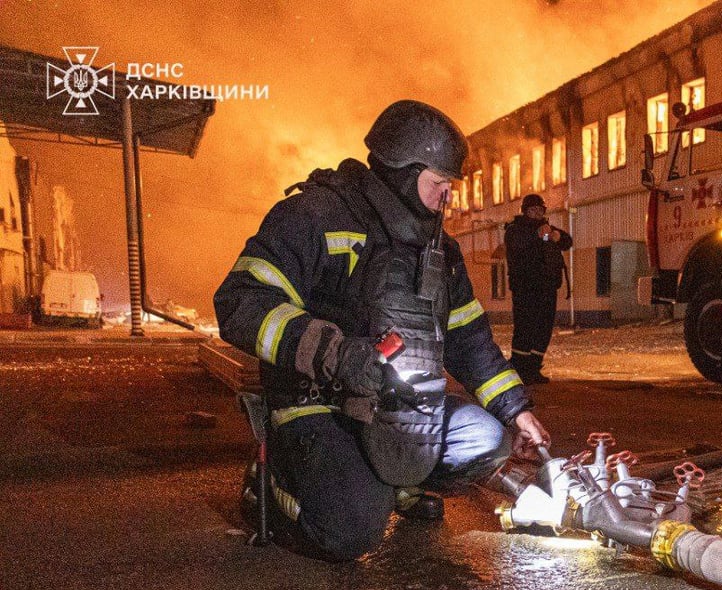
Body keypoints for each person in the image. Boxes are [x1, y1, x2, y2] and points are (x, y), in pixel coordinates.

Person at [214, 100, 550, 562]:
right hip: (319, 405)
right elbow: (241, 302)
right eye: (438, 184)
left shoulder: (439, 250)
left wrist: (517, 410)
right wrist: (335, 353)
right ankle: (270, 484)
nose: (446, 197)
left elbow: (468, 339)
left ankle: (399, 479)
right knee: (351, 531)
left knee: (488, 438)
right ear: (402, 173)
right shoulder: (317, 216)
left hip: (400, 407)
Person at [504, 193, 571, 384]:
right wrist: (538, 235)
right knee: (525, 327)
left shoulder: (548, 228)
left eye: (540, 210)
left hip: (547, 287)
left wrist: (557, 235)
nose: (536, 213)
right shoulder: (515, 230)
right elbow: (520, 244)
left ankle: (534, 367)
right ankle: (519, 368)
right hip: (525, 288)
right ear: (525, 211)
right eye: (532, 210)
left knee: (543, 328)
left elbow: (567, 242)